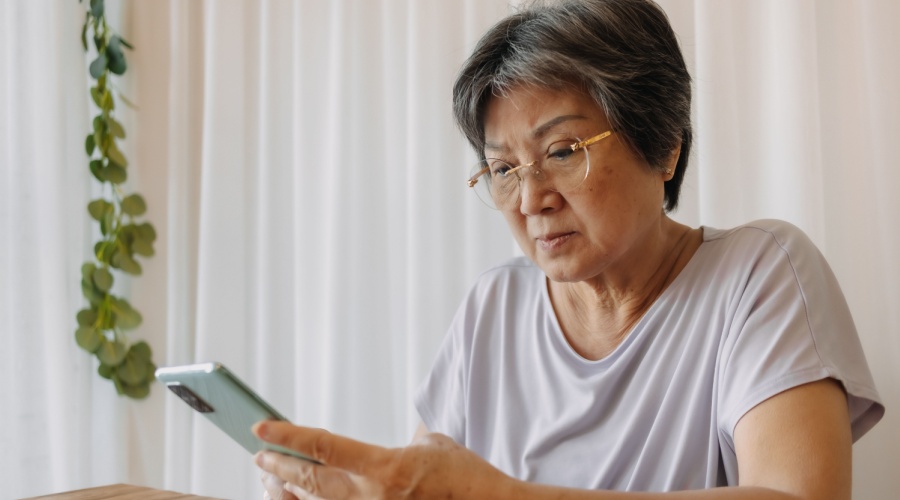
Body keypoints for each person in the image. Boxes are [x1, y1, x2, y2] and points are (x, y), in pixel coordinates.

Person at [253, 0, 884, 498]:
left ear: (664, 144)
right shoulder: (493, 308)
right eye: (502, 170)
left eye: (561, 152)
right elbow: (431, 485)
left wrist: (504, 497)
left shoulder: (759, 274)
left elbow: (796, 495)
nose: (530, 200)